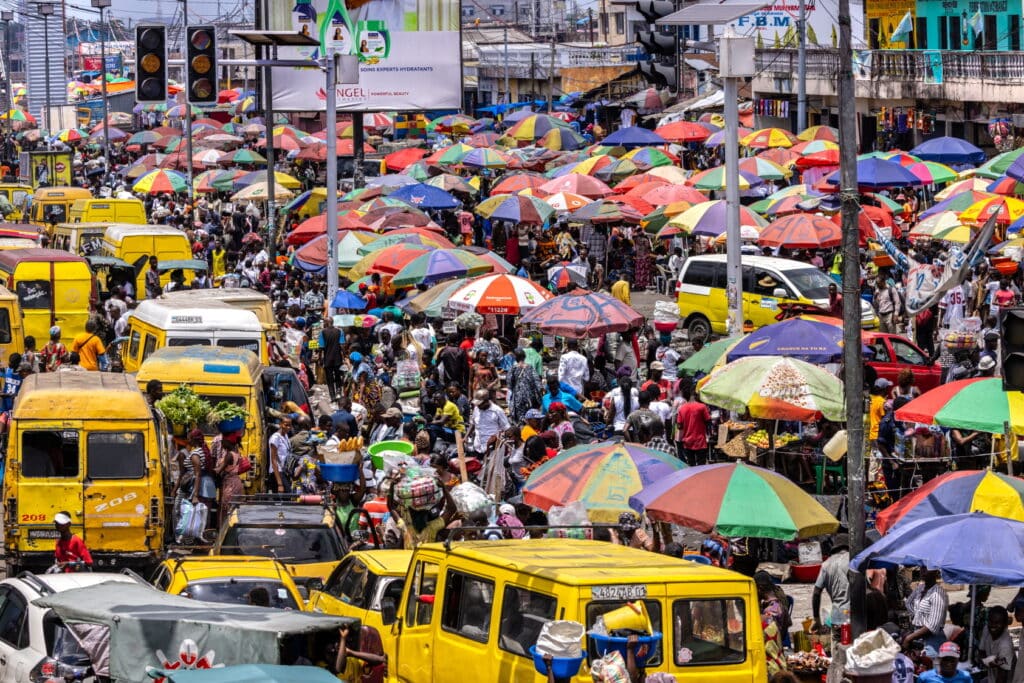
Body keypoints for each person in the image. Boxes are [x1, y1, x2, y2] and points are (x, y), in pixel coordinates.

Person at [811, 534, 849, 639]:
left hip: (837, 617)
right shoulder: (853, 560)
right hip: (855, 617)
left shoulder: (826, 565)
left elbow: (816, 593)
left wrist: (817, 619)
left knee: (838, 648)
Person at [905, 569, 950, 656]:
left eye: (927, 569)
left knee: (930, 664)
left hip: (932, 641)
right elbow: (908, 603)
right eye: (922, 568)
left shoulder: (938, 594)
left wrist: (908, 638)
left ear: (935, 572)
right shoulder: (920, 588)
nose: (923, 572)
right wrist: (918, 615)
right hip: (918, 635)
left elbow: (932, 626)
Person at [675, 383, 710, 466]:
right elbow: (708, 421)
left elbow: (679, 426)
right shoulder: (702, 407)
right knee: (701, 467)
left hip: (687, 443)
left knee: (691, 466)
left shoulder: (682, 408)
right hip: (700, 442)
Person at [977, 605, 1014, 683]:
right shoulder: (986, 629)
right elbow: (981, 651)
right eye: (991, 621)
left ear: (1005, 625)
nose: (993, 626)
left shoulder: (1005, 645)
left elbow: (1002, 677)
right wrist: (986, 661)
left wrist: (988, 662)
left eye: (997, 623)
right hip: (991, 678)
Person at [468, 389, 510, 455]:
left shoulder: (497, 411)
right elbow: (473, 424)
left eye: (480, 404)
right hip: (478, 447)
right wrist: (466, 437)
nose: (478, 406)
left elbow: (507, 429)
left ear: (486, 401)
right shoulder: (476, 409)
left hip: (492, 449)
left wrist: (497, 438)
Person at [269, 416, 293, 493]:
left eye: (290, 425)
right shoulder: (275, 438)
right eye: (286, 425)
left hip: (284, 471)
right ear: (280, 424)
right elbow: (273, 460)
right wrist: (280, 484)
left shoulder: (285, 436)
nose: (288, 427)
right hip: (277, 473)